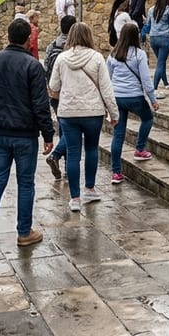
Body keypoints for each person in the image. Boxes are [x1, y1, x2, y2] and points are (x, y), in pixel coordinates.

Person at [0, 19, 55, 257]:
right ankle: (24, 231)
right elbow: (41, 105)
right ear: (28, 38)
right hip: (24, 134)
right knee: (25, 183)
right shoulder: (33, 65)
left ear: (7, 36)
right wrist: (48, 135)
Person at [48, 23, 117, 209]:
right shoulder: (97, 58)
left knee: (72, 154)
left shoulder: (62, 59)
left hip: (68, 112)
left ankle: (75, 198)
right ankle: (89, 189)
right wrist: (114, 113)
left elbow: (53, 87)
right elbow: (106, 88)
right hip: (93, 112)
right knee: (92, 149)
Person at [106, 23, 157, 186]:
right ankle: (140, 149)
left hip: (117, 98)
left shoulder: (113, 54)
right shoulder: (139, 55)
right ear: (136, 36)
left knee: (118, 135)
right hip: (134, 97)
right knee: (148, 118)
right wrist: (153, 99)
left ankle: (116, 172)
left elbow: (108, 78)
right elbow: (146, 80)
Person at [42, 14, 76, 180]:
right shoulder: (74, 47)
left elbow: (46, 67)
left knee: (64, 127)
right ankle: (61, 160)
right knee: (70, 130)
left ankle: (61, 161)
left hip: (55, 94)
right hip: (71, 93)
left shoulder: (51, 46)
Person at [146, 0, 169, 99]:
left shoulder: (151, 10)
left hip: (153, 38)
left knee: (161, 61)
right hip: (165, 39)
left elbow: (148, 24)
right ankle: (154, 88)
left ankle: (166, 83)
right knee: (160, 63)